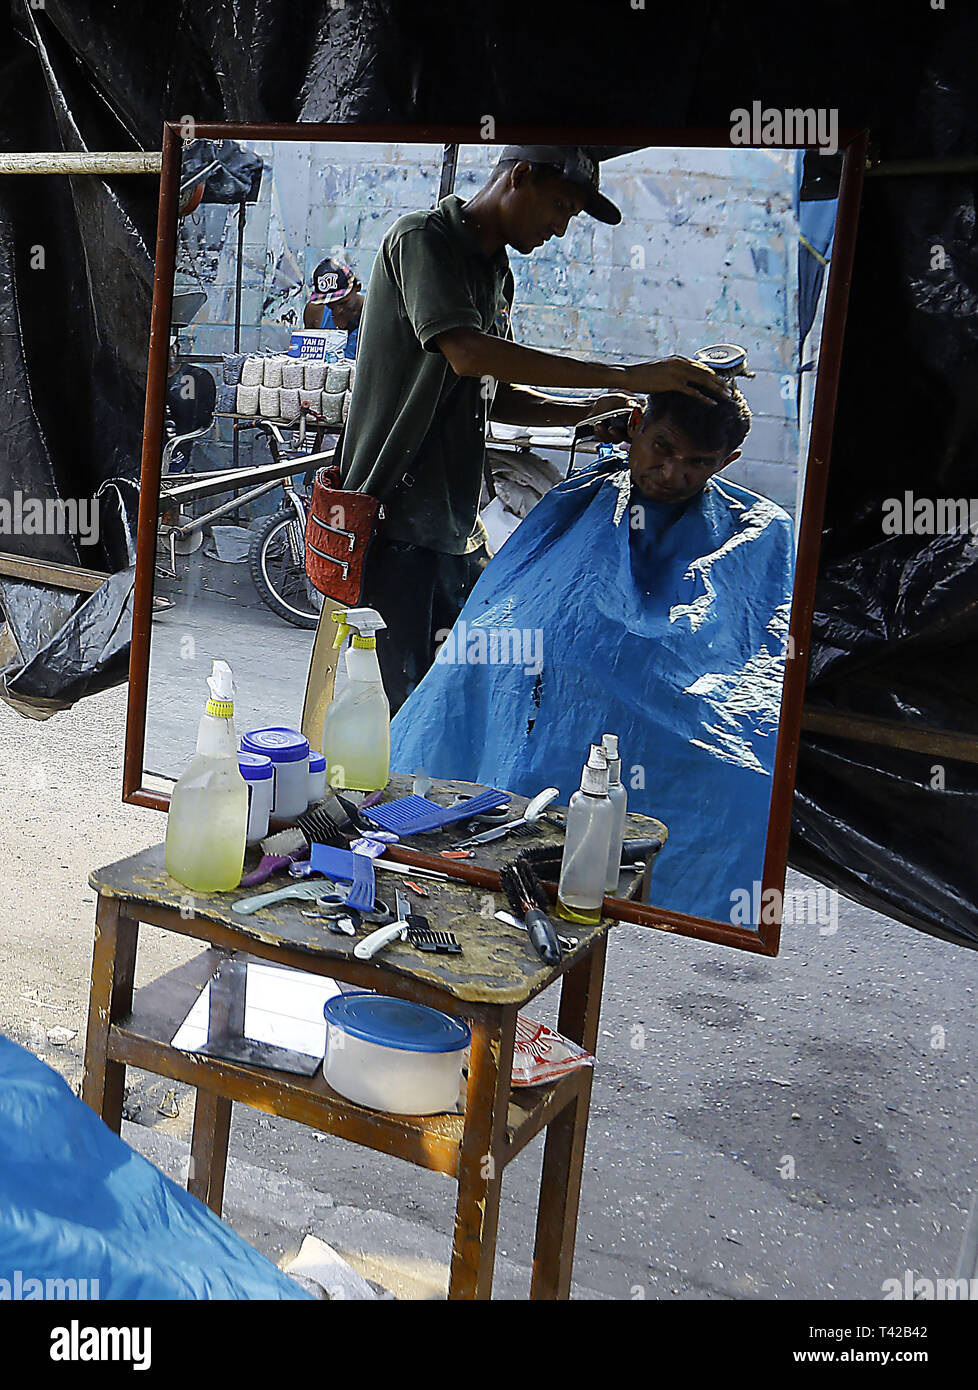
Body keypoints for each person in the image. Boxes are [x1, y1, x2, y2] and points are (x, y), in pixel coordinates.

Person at [305, 145, 728, 716]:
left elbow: (488, 391)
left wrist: (580, 411)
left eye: (570, 216)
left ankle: (429, 805)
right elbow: (466, 354)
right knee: (399, 711)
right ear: (519, 175)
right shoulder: (423, 240)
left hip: (455, 524)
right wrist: (627, 372)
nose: (559, 227)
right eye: (558, 206)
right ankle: (389, 808)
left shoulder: (496, 273)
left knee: (455, 697)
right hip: (397, 522)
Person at [388, 383, 796, 923]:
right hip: (544, 689)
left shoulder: (754, 529)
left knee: (744, 779)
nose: (673, 474)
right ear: (636, 428)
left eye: (699, 463)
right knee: (486, 669)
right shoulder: (589, 498)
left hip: (664, 704)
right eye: (663, 449)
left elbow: (744, 650)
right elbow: (521, 612)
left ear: (731, 461)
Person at [303, 258, 363, 359]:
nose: (338, 310)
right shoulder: (314, 312)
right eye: (330, 304)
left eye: (344, 303)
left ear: (357, 288)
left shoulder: (375, 314)